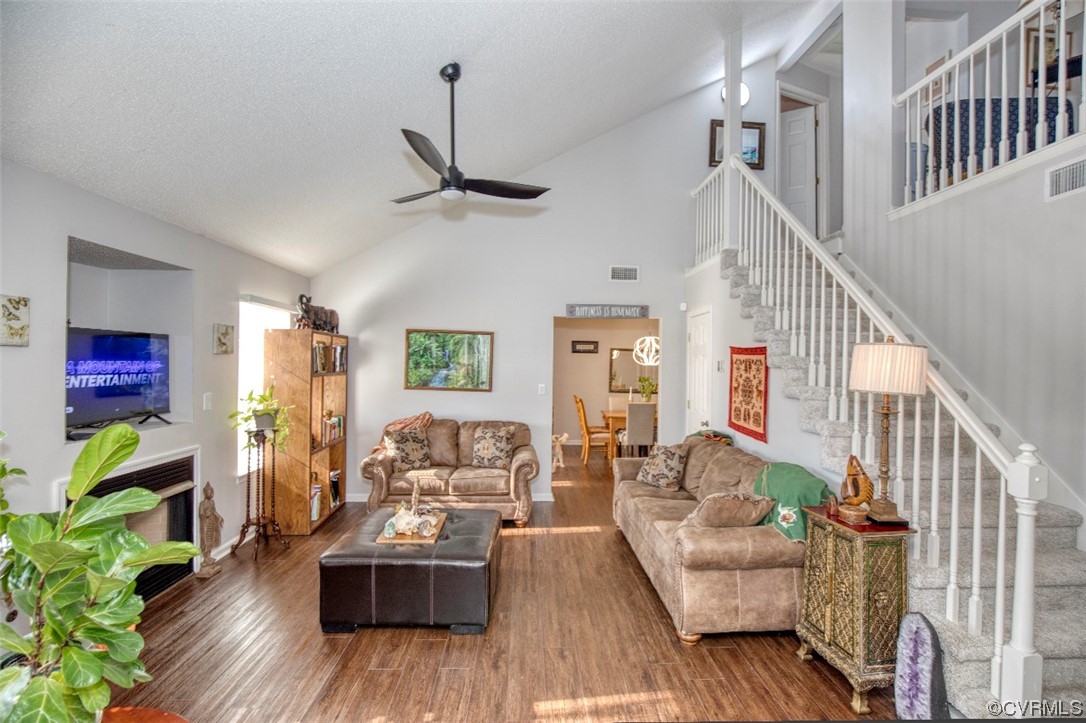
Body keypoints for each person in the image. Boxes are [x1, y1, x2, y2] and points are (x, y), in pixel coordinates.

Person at [197, 482, 224, 577]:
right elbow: (201, 514)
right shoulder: (202, 504)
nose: (211, 493)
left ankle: (209, 557)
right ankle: (206, 558)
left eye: (212, 491)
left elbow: (214, 511)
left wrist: (220, 517)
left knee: (211, 540)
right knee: (206, 541)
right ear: (205, 493)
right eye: (210, 491)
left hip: (212, 524)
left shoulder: (212, 502)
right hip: (206, 525)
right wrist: (205, 514)